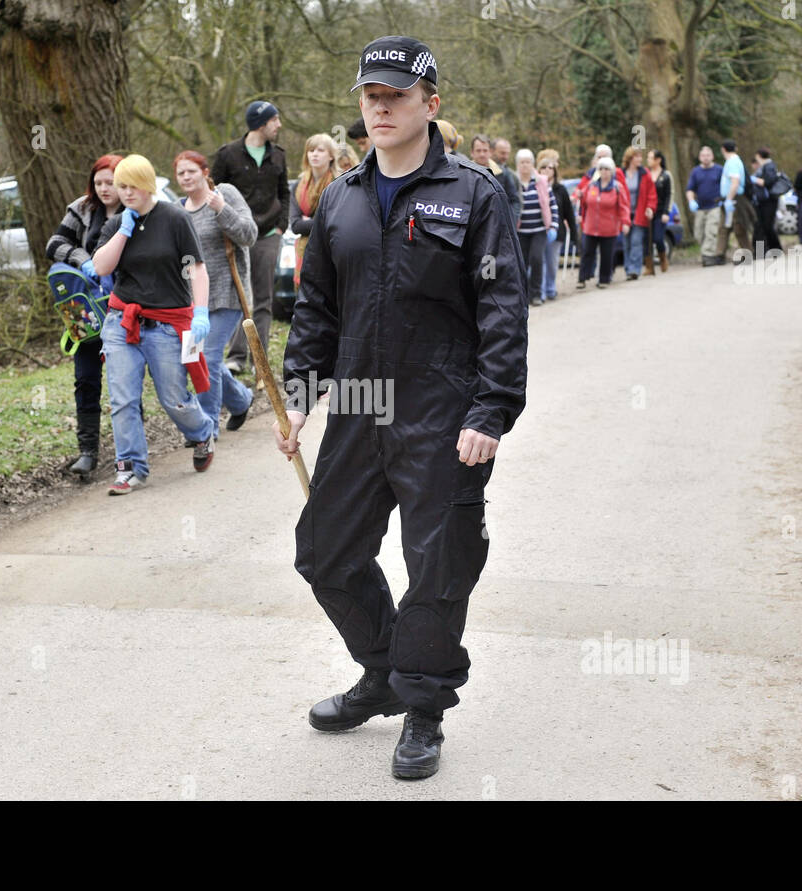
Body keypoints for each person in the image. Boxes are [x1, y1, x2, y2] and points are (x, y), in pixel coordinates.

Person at [276, 36, 527, 781]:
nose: (379, 108)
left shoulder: (474, 194)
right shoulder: (341, 200)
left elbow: (503, 308)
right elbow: (316, 307)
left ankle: (423, 708)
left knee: (437, 565)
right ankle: (383, 670)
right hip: (357, 406)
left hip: (442, 413)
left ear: (431, 105)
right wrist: (299, 398)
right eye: (369, 96)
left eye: (395, 96)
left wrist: (491, 409)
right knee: (324, 553)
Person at [92, 154, 217, 493]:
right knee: (123, 399)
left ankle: (202, 432)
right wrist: (123, 232)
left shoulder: (174, 219)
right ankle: (130, 468)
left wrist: (201, 312)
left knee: (173, 398)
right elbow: (101, 267)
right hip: (123, 322)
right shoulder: (117, 223)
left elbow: (197, 268)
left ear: (147, 184)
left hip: (166, 323)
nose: (127, 192)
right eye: (122, 187)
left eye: (133, 186)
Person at [46, 153, 124, 477]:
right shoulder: (81, 209)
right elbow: (55, 244)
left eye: (111, 182)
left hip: (124, 309)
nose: (104, 188)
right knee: (85, 380)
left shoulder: (136, 210)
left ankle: (128, 450)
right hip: (86, 314)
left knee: (123, 381)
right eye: (99, 182)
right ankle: (88, 451)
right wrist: (83, 260)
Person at [174, 150, 258, 435]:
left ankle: (206, 427)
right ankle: (240, 399)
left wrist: (222, 209)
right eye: (181, 173)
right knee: (198, 358)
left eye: (191, 171)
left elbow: (249, 234)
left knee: (208, 357)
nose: (186, 177)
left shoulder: (225, 194)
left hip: (228, 293)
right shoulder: (177, 210)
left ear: (205, 173)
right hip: (193, 302)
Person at [211, 100, 289, 377]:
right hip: (237, 237)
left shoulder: (278, 155)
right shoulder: (228, 155)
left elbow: (284, 193)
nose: (279, 125)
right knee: (240, 297)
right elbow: (213, 190)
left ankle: (261, 360)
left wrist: (281, 226)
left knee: (264, 299)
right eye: (275, 120)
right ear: (261, 123)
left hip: (268, 235)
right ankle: (237, 357)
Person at [290, 133, 339, 286]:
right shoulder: (297, 186)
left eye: (320, 150)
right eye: (311, 151)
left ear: (331, 156)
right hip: (304, 252)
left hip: (332, 251)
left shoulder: (339, 184)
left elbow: (335, 223)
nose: (314, 154)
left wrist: (309, 221)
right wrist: (318, 220)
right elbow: (296, 225)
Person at [575, 156, 630, 289]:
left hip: (609, 228)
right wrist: (579, 203)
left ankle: (604, 279)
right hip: (590, 226)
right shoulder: (591, 185)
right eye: (601, 169)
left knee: (607, 254)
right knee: (587, 252)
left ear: (611, 171)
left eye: (607, 169)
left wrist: (625, 222)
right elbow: (583, 202)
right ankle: (582, 279)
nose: (604, 172)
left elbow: (624, 206)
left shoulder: (617, 188)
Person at [515, 148, 555, 305]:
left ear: (533, 164)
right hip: (520, 231)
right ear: (517, 165)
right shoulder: (513, 181)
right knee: (521, 263)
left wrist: (553, 226)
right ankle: (523, 294)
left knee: (536, 259)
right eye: (522, 162)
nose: (525, 165)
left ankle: (537, 294)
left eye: (528, 162)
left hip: (539, 230)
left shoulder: (541, 181)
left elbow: (552, 204)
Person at [537, 151, 577, 300]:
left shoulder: (561, 189)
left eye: (550, 168)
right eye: (544, 167)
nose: (547, 170)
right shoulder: (535, 187)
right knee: (539, 262)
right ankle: (539, 291)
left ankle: (550, 288)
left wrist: (573, 235)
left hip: (556, 233)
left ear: (555, 171)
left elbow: (569, 214)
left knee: (552, 263)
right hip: (539, 231)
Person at [715, 139, 755, 262]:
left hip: (734, 200)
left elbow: (735, 182)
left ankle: (747, 254)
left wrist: (729, 199)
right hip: (730, 199)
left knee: (739, 227)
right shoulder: (733, 161)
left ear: (723, 149)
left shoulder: (732, 162)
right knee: (724, 228)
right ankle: (719, 254)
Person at [621, 146, 657, 280]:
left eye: (641, 156)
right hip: (624, 214)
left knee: (636, 242)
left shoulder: (644, 173)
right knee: (626, 243)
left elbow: (651, 193)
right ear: (630, 158)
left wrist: (650, 207)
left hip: (639, 213)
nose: (640, 159)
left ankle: (634, 270)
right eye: (637, 156)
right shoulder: (621, 173)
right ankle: (627, 267)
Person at [685, 146, 724, 265]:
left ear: (712, 156)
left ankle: (708, 257)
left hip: (715, 206)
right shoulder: (696, 171)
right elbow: (690, 189)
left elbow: (725, 185)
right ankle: (712, 253)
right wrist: (691, 201)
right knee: (699, 233)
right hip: (700, 207)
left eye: (708, 155)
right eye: (703, 155)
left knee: (711, 231)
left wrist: (725, 199)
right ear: (700, 157)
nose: (706, 158)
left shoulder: (719, 170)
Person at [749, 147, 784, 256]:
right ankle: (761, 251)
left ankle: (775, 250)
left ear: (758, 156)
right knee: (761, 226)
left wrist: (754, 180)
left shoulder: (769, 166)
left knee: (767, 226)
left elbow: (769, 182)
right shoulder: (765, 166)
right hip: (762, 201)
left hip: (769, 201)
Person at [645, 148, 671, 273]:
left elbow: (669, 195)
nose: (648, 160)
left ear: (658, 160)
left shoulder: (666, 175)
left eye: (650, 158)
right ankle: (649, 266)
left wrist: (666, 212)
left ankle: (663, 258)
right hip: (648, 211)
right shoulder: (646, 174)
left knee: (658, 238)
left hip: (661, 211)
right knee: (647, 239)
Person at [491, 137, 523, 226]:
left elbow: (517, 200)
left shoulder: (512, 175)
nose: (505, 157)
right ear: (492, 151)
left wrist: (514, 220)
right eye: (502, 153)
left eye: (507, 153)